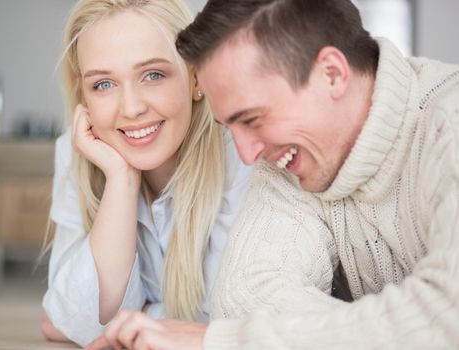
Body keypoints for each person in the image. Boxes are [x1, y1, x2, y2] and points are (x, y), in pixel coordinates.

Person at [85, 0, 459, 349]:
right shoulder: (294, 159)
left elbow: (446, 317)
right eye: (231, 126)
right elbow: (247, 298)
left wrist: (219, 342)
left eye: (253, 119)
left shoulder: (450, 122)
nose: (247, 155)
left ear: (332, 74)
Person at [39, 0, 252, 347]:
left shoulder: (242, 149)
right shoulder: (81, 149)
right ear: (84, 97)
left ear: (195, 76)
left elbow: (243, 315)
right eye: (104, 84)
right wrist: (121, 180)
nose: (133, 108)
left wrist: (143, 316)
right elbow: (72, 321)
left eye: (153, 75)